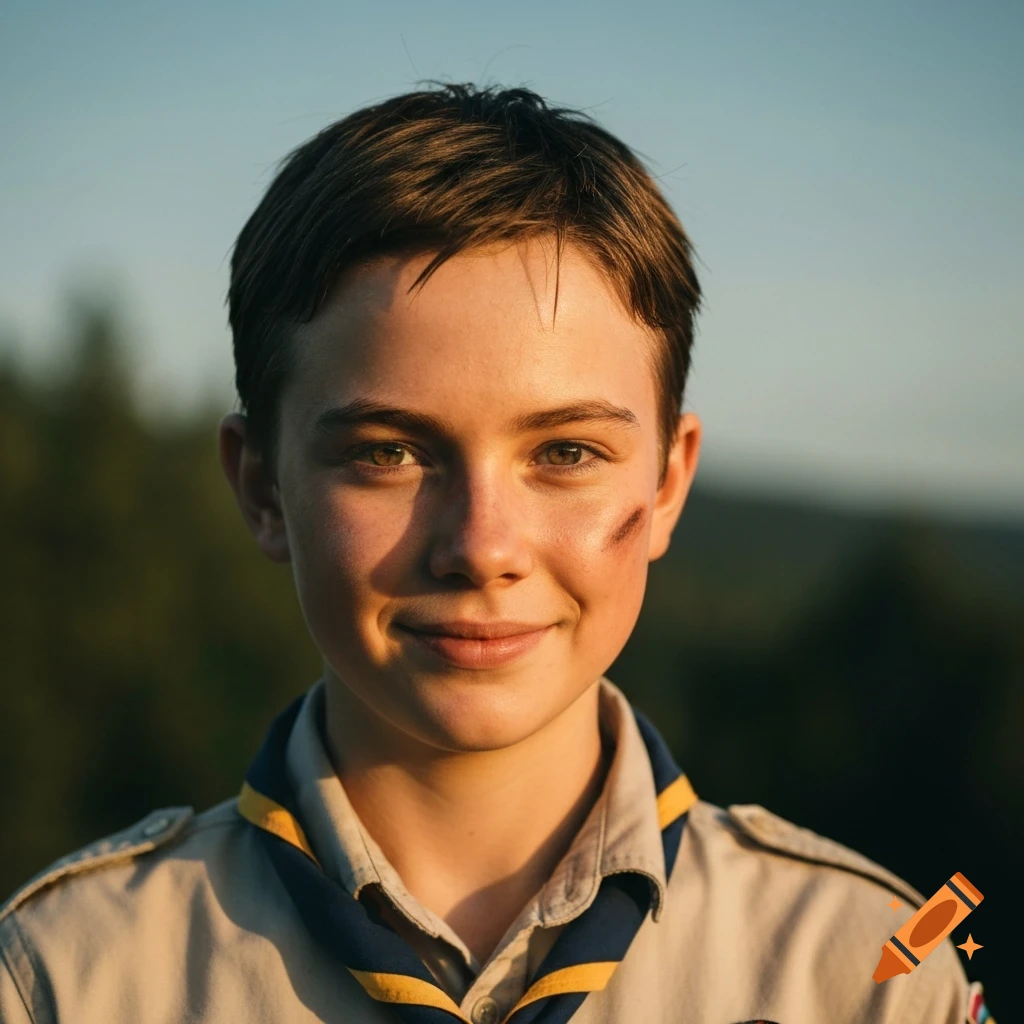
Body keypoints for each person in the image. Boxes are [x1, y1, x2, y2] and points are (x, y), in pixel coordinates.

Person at [0, 82, 993, 1024]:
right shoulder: (64, 975)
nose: (481, 546)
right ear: (261, 486)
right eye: (387, 452)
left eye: (564, 452)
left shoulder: (873, 969)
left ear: (666, 485)